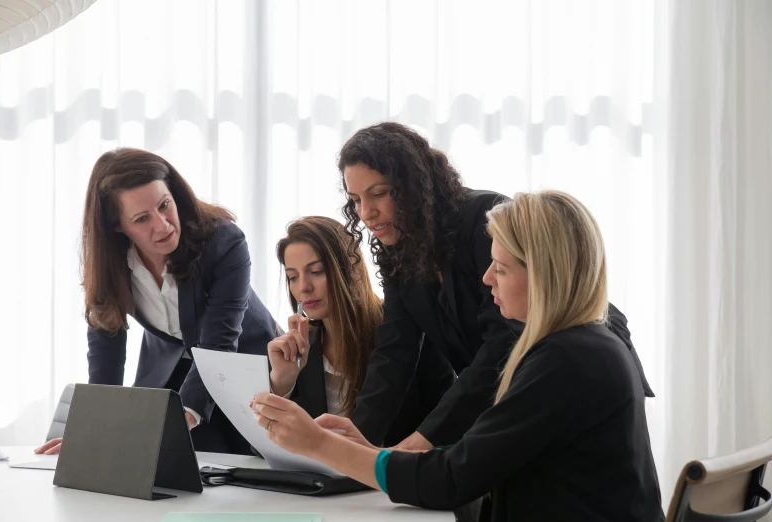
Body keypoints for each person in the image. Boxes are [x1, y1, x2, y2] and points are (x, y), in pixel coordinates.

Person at [250, 190, 665, 522]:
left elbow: (449, 478)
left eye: (500, 269)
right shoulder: (576, 348)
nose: (485, 278)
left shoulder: (566, 361)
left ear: (543, 273)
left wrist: (321, 444)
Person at [335, 121, 653, 449]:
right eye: (355, 200)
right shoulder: (398, 251)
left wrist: (422, 440)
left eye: (378, 194)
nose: (366, 213)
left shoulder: (485, 218)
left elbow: (503, 339)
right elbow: (394, 352)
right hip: (525, 385)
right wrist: (354, 444)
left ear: (412, 186)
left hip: (584, 374)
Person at [36, 148, 276, 456]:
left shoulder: (223, 242)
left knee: (243, 475)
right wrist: (92, 431)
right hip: (175, 372)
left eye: (165, 205)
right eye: (141, 219)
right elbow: (105, 355)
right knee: (163, 470)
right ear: (117, 226)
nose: (162, 225)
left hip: (246, 367)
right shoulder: (108, 264)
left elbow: (218, 344)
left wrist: (180, 419)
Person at [267, 216, 454, 446]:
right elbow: (262, 448)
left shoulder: (404, 332)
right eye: (292, 277)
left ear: (348, 270)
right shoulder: (300, 345)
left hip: (395, 476)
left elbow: (449, 425)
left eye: (316, 271)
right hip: (326, 479)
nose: (303, 287)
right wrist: (281, 385)